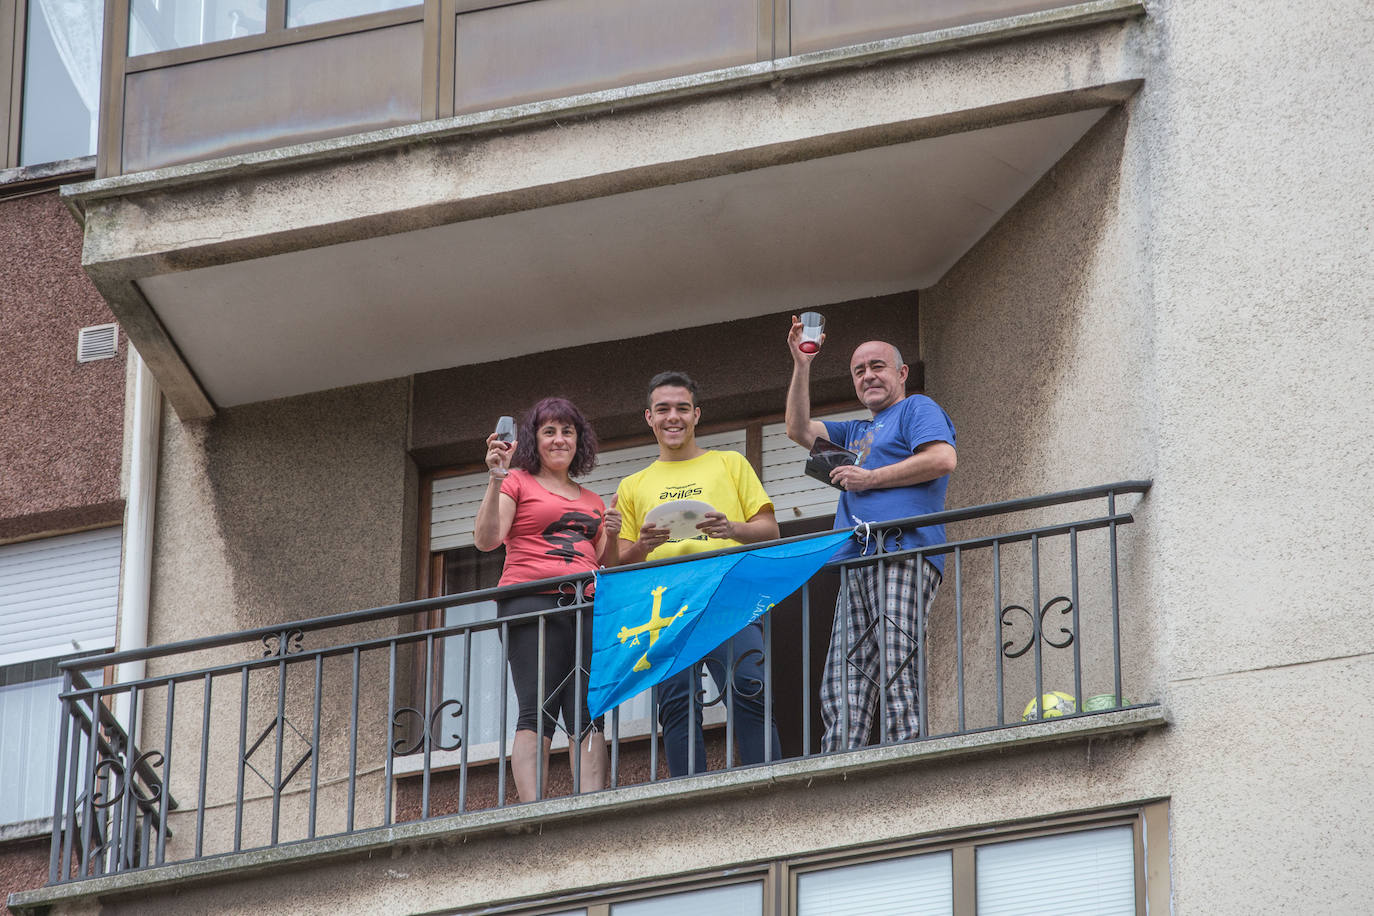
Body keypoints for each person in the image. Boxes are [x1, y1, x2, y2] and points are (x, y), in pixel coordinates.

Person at [784, 319, 957, 751]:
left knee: (898, 656)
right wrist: (802, 365)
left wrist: (870, 478)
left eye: (877, 366)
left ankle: (907, 752)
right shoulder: (858, 432)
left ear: (901, 374)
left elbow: (942, 458)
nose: (867, 376)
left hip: (902, 550)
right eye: (859, 371)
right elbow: (798, 430)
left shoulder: (916, 408)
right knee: (845, 673)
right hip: (857, 559)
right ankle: (841, 761)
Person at [614, 371, 784, 776]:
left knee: (749, 686)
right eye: (663, 409)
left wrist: (732, 529)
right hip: (665, 602)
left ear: (697, 415)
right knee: (675, 701)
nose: (673, 417)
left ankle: (772, 783)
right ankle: (687, 794)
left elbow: (770, 530)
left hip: (727, 592)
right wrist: (643, 547)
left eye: (682, 408)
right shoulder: (632, 485)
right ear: (649, 418)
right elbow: (619, 560)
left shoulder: (729, 463)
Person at [473, 397, 618, 801]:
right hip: (531, 602)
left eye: (567, 432)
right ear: (533, 440)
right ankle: (533, 810)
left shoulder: (592, 499)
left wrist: (620, 533)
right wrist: (496, 478)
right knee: (537, 710)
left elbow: (607, 559)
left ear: (579, 440)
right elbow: (486, 540)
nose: (559, 440)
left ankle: (590, 805)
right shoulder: (518, 481)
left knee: (589, 714)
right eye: (549, 431)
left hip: (586, 606)